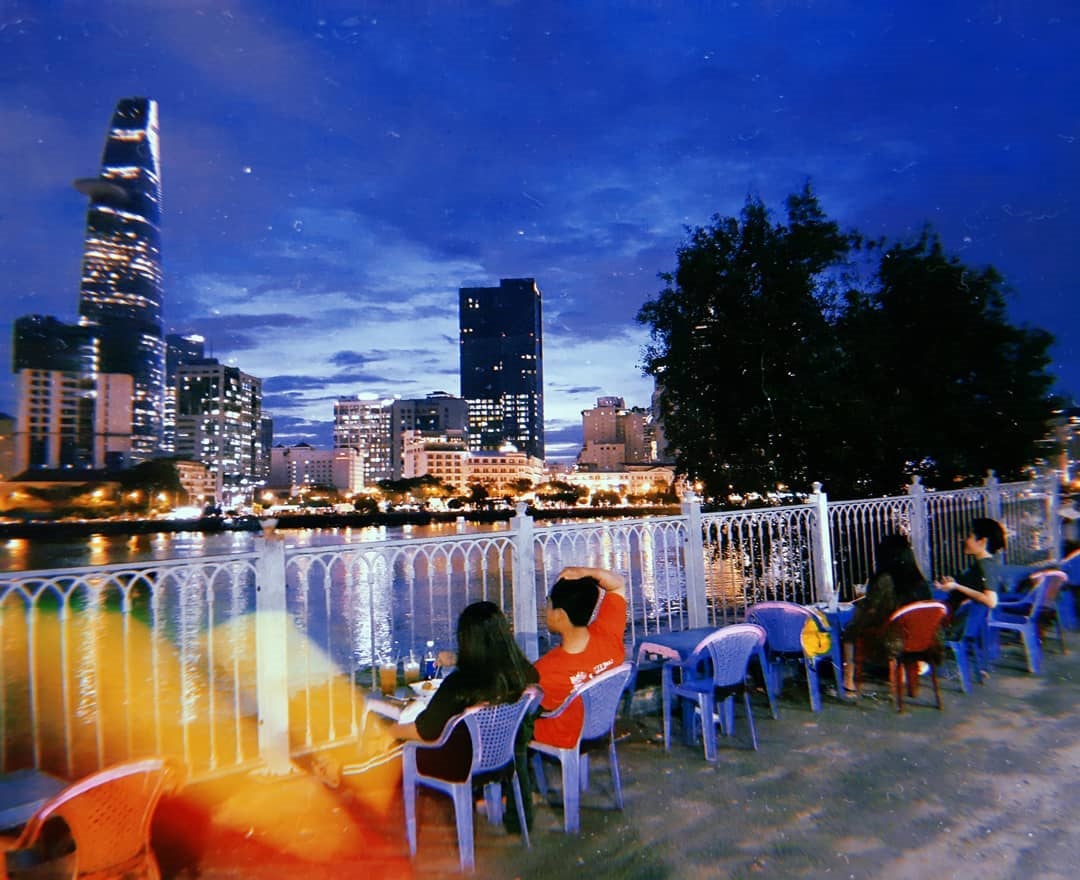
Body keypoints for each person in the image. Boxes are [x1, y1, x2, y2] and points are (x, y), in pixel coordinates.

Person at [389, 600, 539, 828]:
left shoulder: (458, 685)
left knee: (397, 743)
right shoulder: (522, 674)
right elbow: (494, 667)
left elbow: (425, 731)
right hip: (503, 757)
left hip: (462, 763)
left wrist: (390, 730)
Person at [533, 565, 628, 750]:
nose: (546, 610)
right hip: (599, 727)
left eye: (548, 603)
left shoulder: (545, 670)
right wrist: (588, 572)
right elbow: (617, 585)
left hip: (566, 736)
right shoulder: (609, 635)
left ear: (560, 615)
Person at [842, 532, 932, 695]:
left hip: (891, 640)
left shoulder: (885, 580)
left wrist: (861, 607)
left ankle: (849, 678)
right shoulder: (919, 580)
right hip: (919, 639)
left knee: (850, 631)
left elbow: (872, 610)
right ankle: (903, 672)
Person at [934, 517, 1006, 639]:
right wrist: (953, 584)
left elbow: (991, 601)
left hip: (957, 626)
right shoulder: (988, 563)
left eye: (969, 537)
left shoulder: (985, 566)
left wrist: (956, 586)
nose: (965, 540)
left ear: (982, 542)